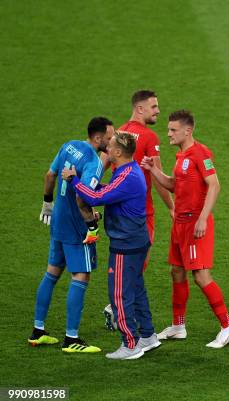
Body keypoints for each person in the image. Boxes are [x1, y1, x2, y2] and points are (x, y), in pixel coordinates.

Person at [142, 109, 229, 348]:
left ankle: (227, 326)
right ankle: (178, 325)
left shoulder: (200, 153)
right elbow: (175, 185)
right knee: (176, 271)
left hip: (196, 224)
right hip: (180, 224)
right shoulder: (181, 156)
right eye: (168, 129)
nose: (168, 134)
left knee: (201, 276)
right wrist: (153, 170)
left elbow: (214, 185)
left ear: (188, 130)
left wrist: (203, 219)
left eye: (173, 130)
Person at [64, 131, 160, 359]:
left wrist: (74, 180)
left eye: (111, 144)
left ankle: (130, 345)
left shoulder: (128, 175)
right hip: (136, 241)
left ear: (118, 152)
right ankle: (148, 336)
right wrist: (92, 185)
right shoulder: (127, 171)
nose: (107, 146)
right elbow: (108, 191)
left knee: (118, 294)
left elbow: (96, 199)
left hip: (126, 245)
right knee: (136, 289)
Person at [29, 117, 113, 353]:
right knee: (81, 277)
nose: (112, 140)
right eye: (109, 137)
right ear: (98, 138)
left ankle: (38, 332)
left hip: (58, 220)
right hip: (77, 227)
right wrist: (91, 221)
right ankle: (71, 339)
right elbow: (83, 197)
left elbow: (49, 176)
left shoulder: (69, 145)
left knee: (52, 273)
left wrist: (47, 203)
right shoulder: (94, 162)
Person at [103, 90, 174, 330]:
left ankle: (119, 309)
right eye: (154, 106)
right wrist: (173, 209)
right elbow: (159, 178)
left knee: (125, 262)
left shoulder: (120, 132)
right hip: (141, 212)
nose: (158, 111)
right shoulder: (149, 136)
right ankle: (118, 311)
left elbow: (103, 165)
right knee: (137, 264)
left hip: (117, 212)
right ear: (140, 108)